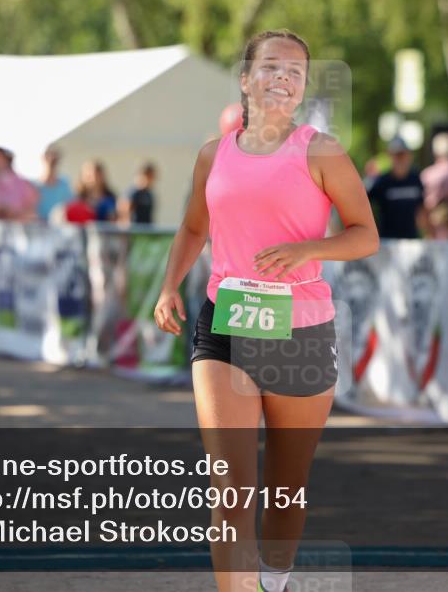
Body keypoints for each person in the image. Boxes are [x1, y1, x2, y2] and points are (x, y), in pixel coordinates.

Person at [153, 30, 379, 592]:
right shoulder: (216, 152)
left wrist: (310, 249)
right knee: (230, 489)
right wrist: (168, 287)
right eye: (272, 66)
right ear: (246, 78)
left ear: (302, 88)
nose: (284, 77)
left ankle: (275, 582)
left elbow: (365, 235)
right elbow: (192, 227)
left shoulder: (321, 151)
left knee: (285, 488)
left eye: (296, 71)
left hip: (301, 331)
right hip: (225, 323)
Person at [367, 137, 425, 239]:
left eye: (402, 154)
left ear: (409, 155)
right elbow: (366, 203)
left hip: (411, 238)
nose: (400, 158)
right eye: (396, 155)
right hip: (387, 239)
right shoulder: (382, 182)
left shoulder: (416, 179)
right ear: (390, 156)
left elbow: (422, 209)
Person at [32, 146, 72, 221]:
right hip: (39, 229)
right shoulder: (33, 186)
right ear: (43, 158)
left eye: (55, 160)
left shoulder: (65, 185)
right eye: (48, 157)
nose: (51, 161)